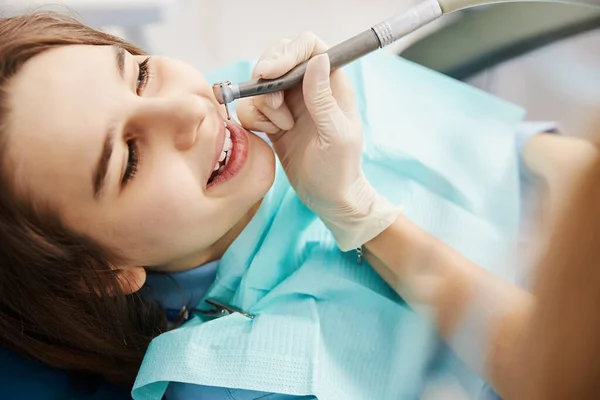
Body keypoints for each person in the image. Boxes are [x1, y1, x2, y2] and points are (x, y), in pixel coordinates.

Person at [0, 11, 597, 400]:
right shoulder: (235, 379)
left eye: (140, 75)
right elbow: (564, 378)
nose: (188, 111)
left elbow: (542, 158)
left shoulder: (264, 94)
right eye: (128, 158)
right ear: (96, 276)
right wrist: (364, 218)